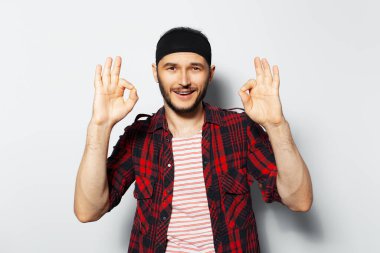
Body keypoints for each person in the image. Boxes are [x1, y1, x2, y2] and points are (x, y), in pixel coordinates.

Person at [74, 26, 313, 253]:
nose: (184, 80)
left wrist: (276, 125)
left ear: (210, 74)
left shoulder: (239, 130)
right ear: (156, 73)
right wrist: (100, 126)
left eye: (195, 68)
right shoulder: (139, 137)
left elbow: (299, 200)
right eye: (171, 68)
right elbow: (88, 211)